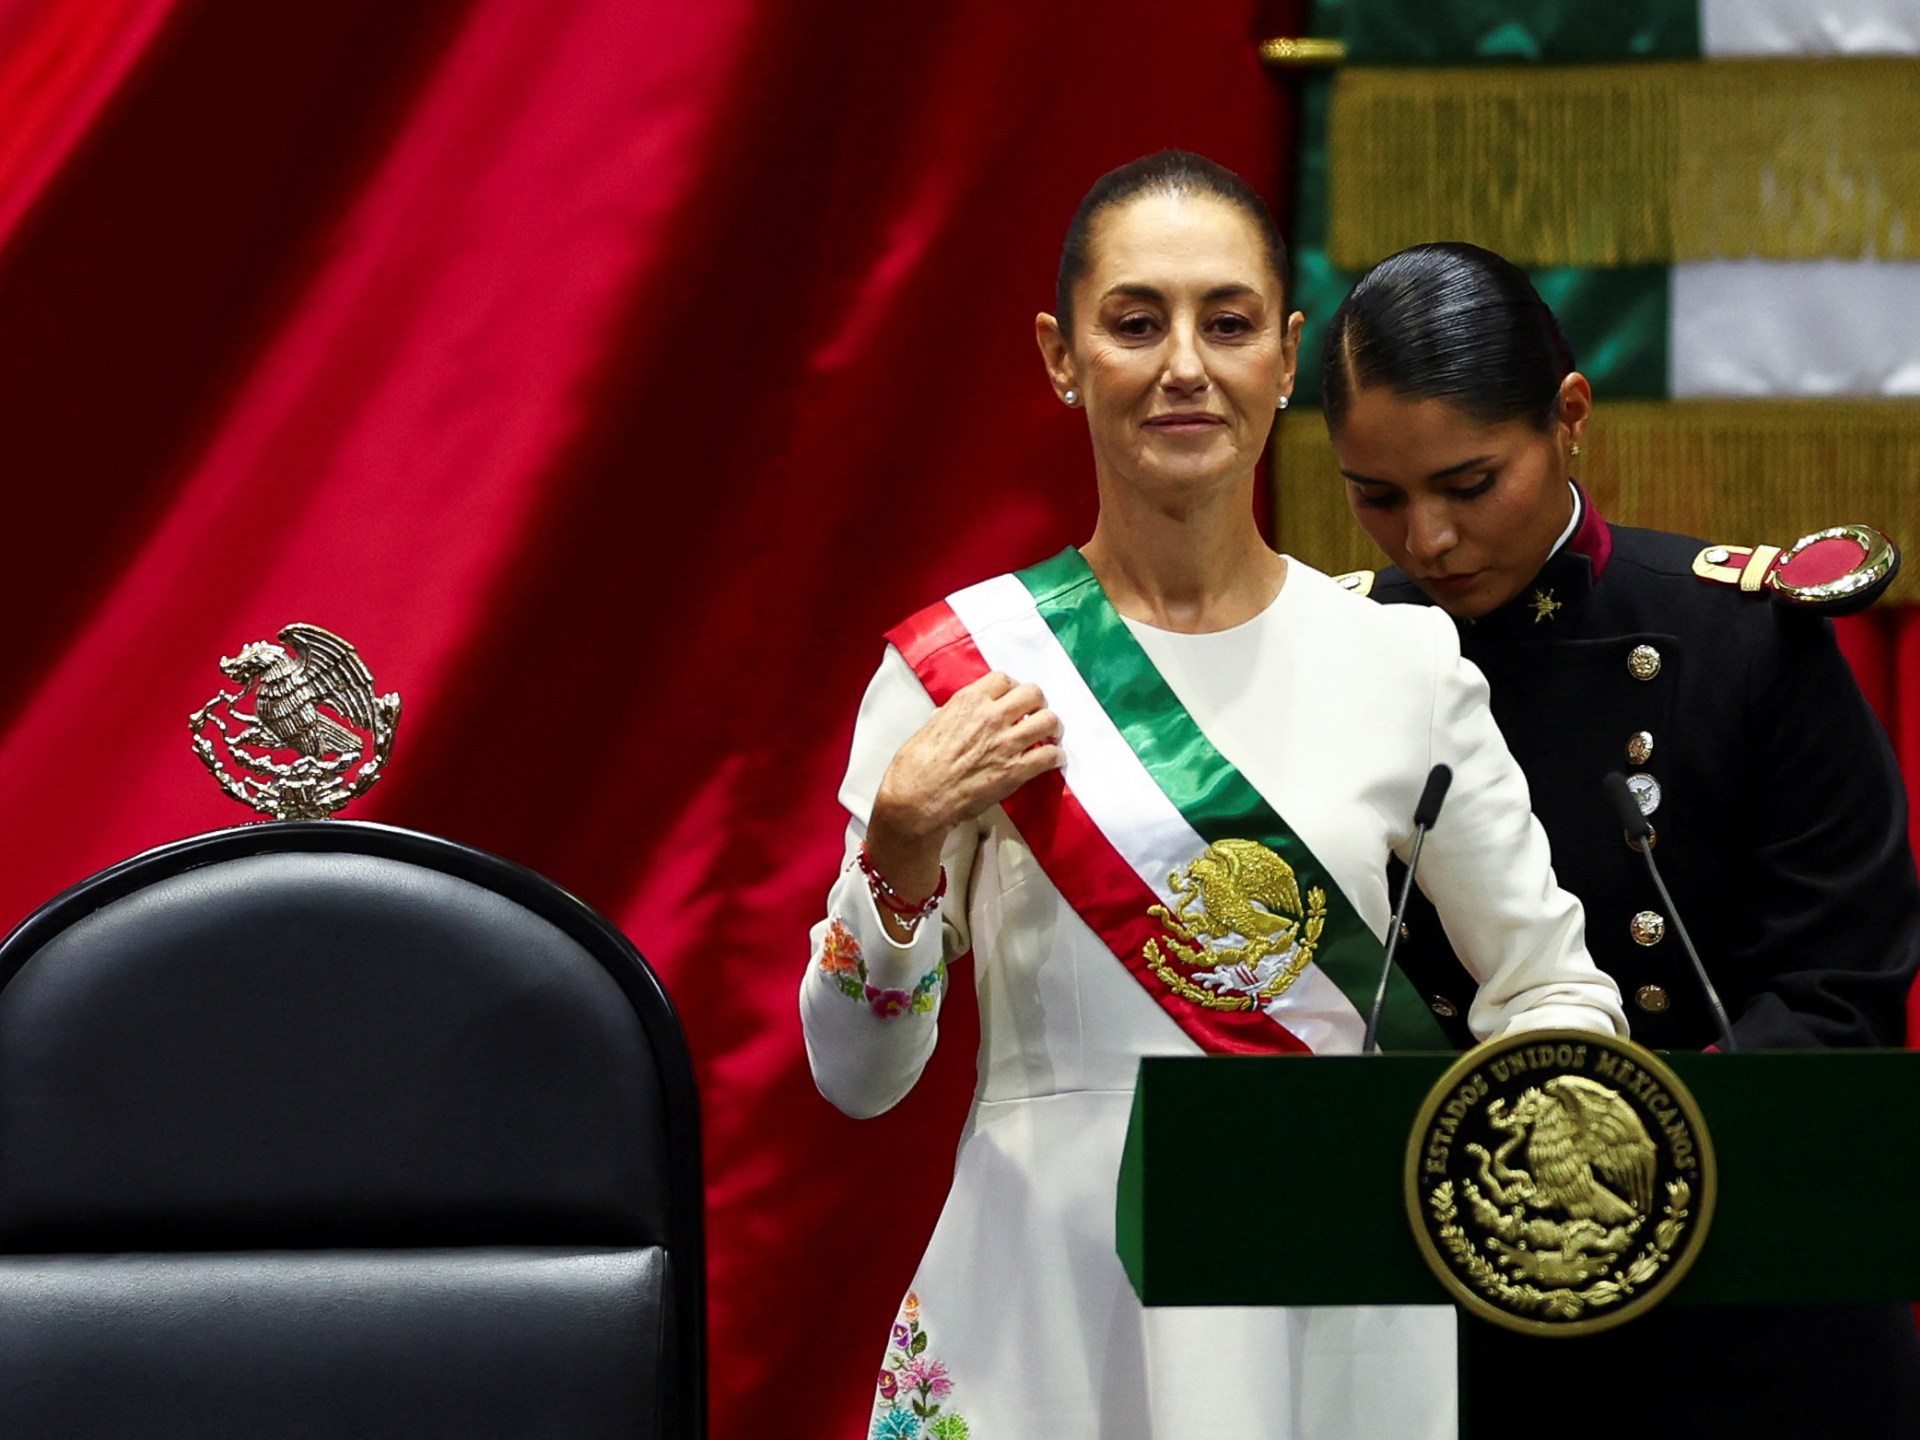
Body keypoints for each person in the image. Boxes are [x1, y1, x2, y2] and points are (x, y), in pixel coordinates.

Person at [801, 155, 1627, 1440]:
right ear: (1060, 354)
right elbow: (856, 1078)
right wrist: (902, 846)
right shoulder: (959, 670)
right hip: (1055, 1300)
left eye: (1226, 322)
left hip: (1333, 1295)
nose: (1184, 363)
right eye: (1136, 322)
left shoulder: (1403, 666)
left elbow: (1557, 992)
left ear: (1287, 358)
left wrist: (1491, 1179)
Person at [1321, 240, 1920, 1437]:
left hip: (1738, 1303)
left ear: (1571, 417)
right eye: (1378, 497)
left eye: (1468, 482)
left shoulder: (1741, 638)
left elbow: (1839, 987)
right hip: (1439, 1312)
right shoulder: (1328, 657)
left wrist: (1626, 1170)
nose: (1426, 540)